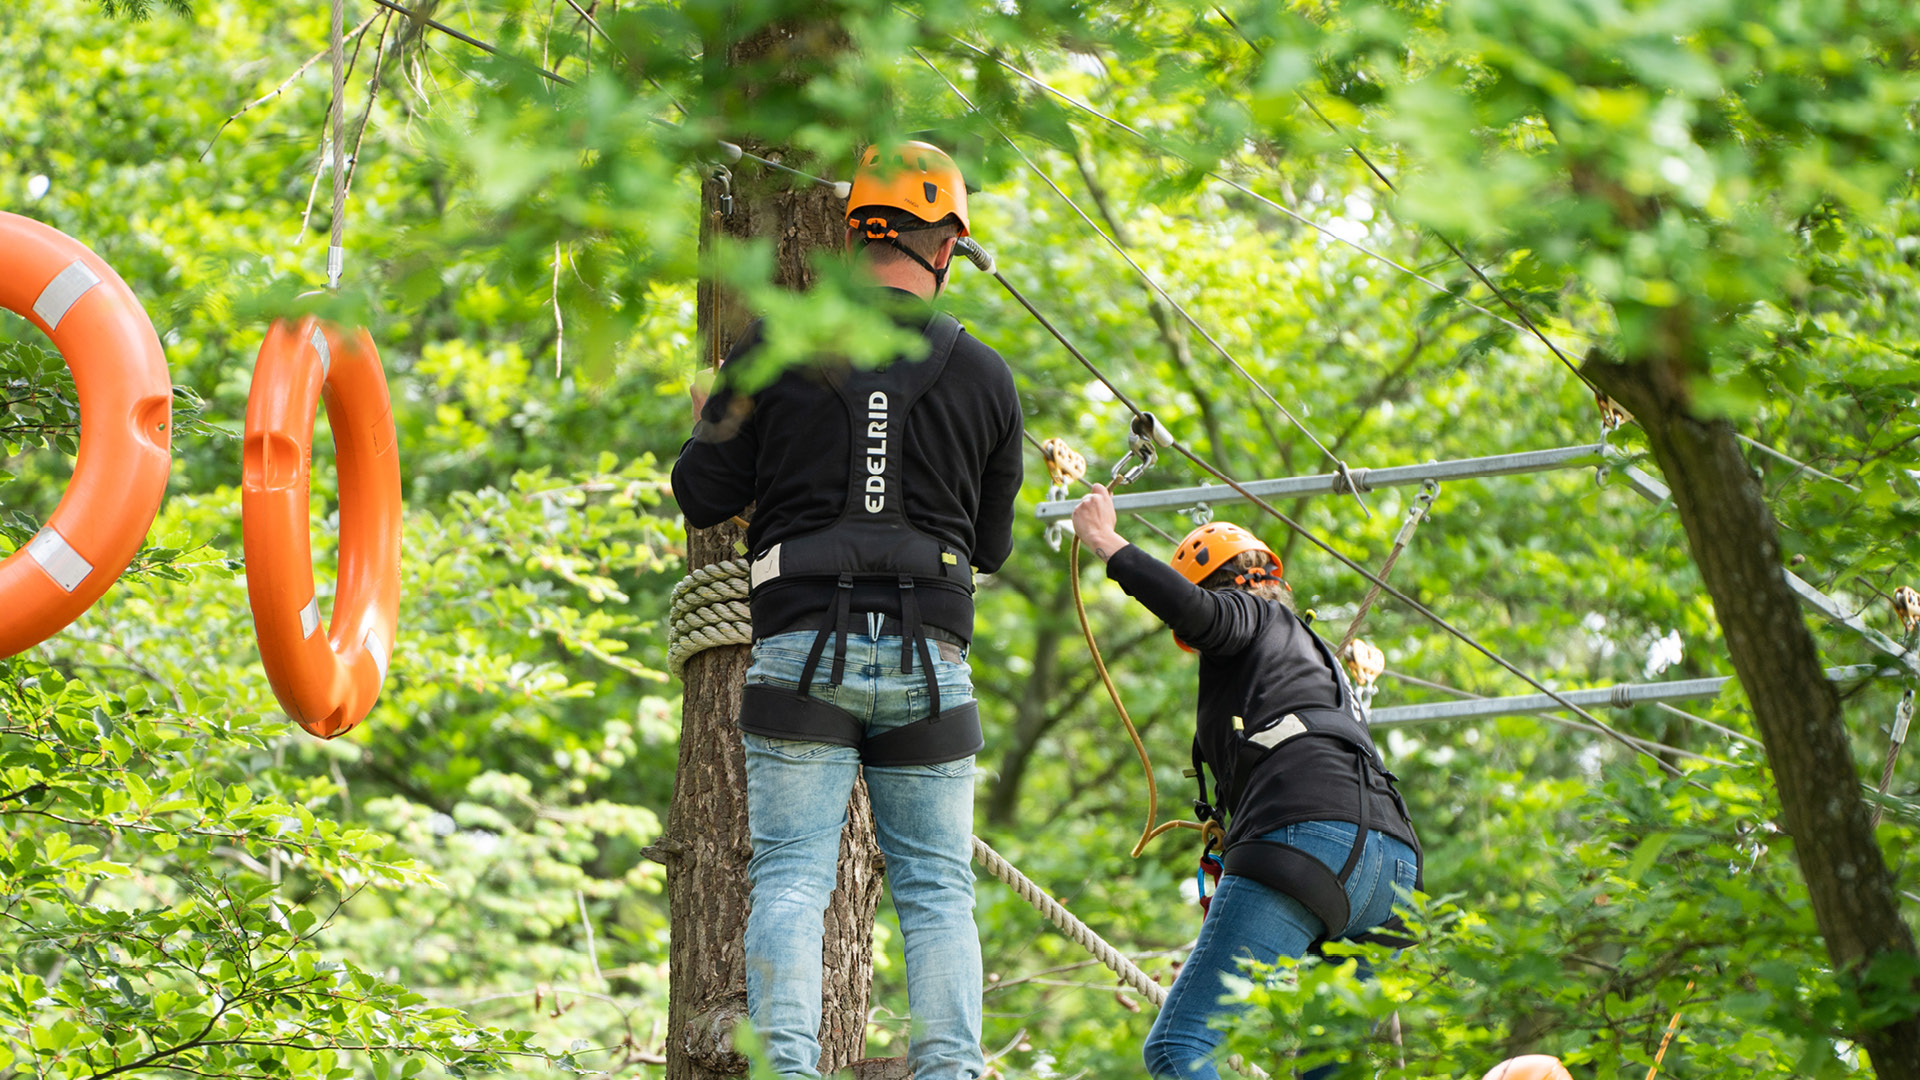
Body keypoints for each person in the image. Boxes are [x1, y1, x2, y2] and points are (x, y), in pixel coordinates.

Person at [671, 140, 1022, 1080]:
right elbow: (990, 548)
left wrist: (716, 415)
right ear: (944, 245)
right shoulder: (985, 375)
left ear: (855, 229)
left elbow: (702, 493)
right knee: (940, 892)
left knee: (790, 876)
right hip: (928, 663)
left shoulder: (774, 345)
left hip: (800, 653)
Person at [1071, 486, 1422, 1080]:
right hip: (1394, 875)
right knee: (1325, 1068)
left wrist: (1107, 543)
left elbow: (1203, 615)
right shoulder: (1321, 663)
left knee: (1179, 1049)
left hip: (1307, 842)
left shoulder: (1253, 614)